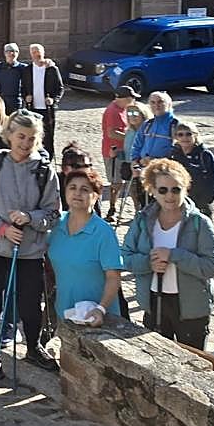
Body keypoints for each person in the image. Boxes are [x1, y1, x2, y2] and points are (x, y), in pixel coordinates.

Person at [0, 110, 61, 385]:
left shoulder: (45, 171)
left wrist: (32, 218)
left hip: (29, 251)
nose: (25, 143)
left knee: (31, 304)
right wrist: (2, 228)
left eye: (32, 138)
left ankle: (33, 347)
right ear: (9, 135)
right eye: (21, 136)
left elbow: (53, 213)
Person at [122, 159, 214, 350]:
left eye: (176, 189)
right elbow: (125, 257)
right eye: (163, 190)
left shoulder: (199, 223)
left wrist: (174, 255)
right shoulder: (143, 221)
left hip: (190, 309)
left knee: (193, 366)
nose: (170, 196)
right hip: (155, 303)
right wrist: (148, 263)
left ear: (185, 188)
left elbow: (212, 266)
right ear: (152, 190)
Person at [48, 168, 124, 326]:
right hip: (64, 313)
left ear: (96, 196)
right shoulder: (55, 224)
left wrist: (100, 309)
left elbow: (113, 277)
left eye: (85, 189)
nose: (77, 193)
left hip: (98, 317)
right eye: (72, 187)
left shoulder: (103, 232)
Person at [21, 43, 64, 159]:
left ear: (43, 53)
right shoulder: (27, 70)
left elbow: (60, 88)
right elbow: (23, 88)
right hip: (32, 108)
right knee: (33, 133)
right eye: (34, 52)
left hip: (48, 109)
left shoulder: (52, 69)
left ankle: (48, 158)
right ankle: (34, 155)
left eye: (38, 52)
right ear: (31, 54)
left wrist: (53, 100)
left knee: (48, 135)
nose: (37, 54)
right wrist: (25, 97)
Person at [169, 122, 214, 218]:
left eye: (188, 134)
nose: (184, 137)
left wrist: (204, 202)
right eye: (180, 134)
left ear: (195, 135)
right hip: (178, 204)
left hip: (200, 206)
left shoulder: (204, 155)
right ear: (176, 137)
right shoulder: (173, 155)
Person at [101, 86, 136, 220]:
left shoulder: (124, 109)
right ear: (124, 99)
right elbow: (111, 133)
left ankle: (136, 209)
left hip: (124, 150)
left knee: (129, 182)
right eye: (131, 98)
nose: (133, 101)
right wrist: (132, 138)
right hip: (113, 152)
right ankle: (112, 209)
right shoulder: (113, 111)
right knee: (116, 182)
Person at [131, 91, 177, 168]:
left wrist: (155, 160)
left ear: (169, 104)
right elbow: (137, 145)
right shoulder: (147, 124)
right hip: (143, 167)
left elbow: (178, 151)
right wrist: (135, 161)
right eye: (153, 102)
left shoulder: (175, 125)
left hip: (164, 170)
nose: (156, 105)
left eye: (160, 102)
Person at [0, 43, 27, 112]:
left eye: (14, 51)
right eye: (8, 51)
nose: (11, 53)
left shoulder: (23, 68)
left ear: (18, 53)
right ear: (5, 53)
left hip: (17, 101)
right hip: (1, 100)